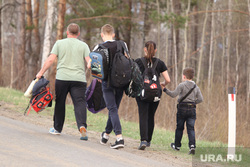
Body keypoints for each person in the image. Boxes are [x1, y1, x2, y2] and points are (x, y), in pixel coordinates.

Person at [36, 23, 91, 140]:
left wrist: (41, 72)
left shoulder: (59, 43)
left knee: (60, 102)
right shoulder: (84, 45)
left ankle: (57, 128)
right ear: (78, 33)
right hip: (79, 79)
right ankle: (82, 126)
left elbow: (50, 59)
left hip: (62, 78)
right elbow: (89, 62)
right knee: (80, 103)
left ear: (67, 32)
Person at [97, 24, 128, 149]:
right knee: (114, 108)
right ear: (114, 34)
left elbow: (91, 65)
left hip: (107, 82)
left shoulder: (99, 47)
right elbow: (127, 60)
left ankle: (119, 138)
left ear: (102, 34)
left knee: (112, 109)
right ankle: (106, 135)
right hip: (121, 82)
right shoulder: (122, 44)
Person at [135, 41, 171, 150]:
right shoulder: (160, 63)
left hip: (142, 92)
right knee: (151, 116)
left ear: (144, 49)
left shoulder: (138, 62)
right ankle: (149, 140)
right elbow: (168, 79)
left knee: (143, 115)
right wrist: (163, 84)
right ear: (155, 50)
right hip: (156, 93)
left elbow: (134, 76)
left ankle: (143, 141)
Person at [162, 67, 203, 155]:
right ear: (193, 76)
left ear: (184, 76)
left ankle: (177, 146)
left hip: (182, 109)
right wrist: (193, 102)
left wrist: (165, 89)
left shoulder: (182, 85)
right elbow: (200, 99)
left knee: (180, 128)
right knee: (191, 129)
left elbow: (173, 94)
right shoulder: (196, 87)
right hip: (192, 109)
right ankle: (192, 146)